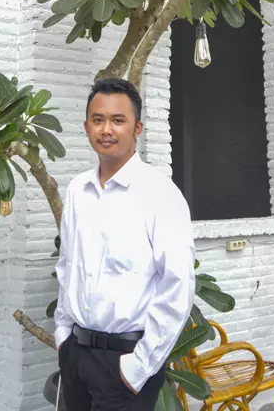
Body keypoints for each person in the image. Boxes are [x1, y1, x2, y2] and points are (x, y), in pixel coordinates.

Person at [54, 78, 196, 411]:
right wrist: (63, 335)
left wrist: (138, 367)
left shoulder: (160, 193)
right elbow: (67, 265)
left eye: (118, 120)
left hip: (125, 362)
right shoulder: (77, 191)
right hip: (76, 354)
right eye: (98, 120)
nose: (106, 129)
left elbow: (178, 285)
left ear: (137, 128)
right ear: (86, 126)